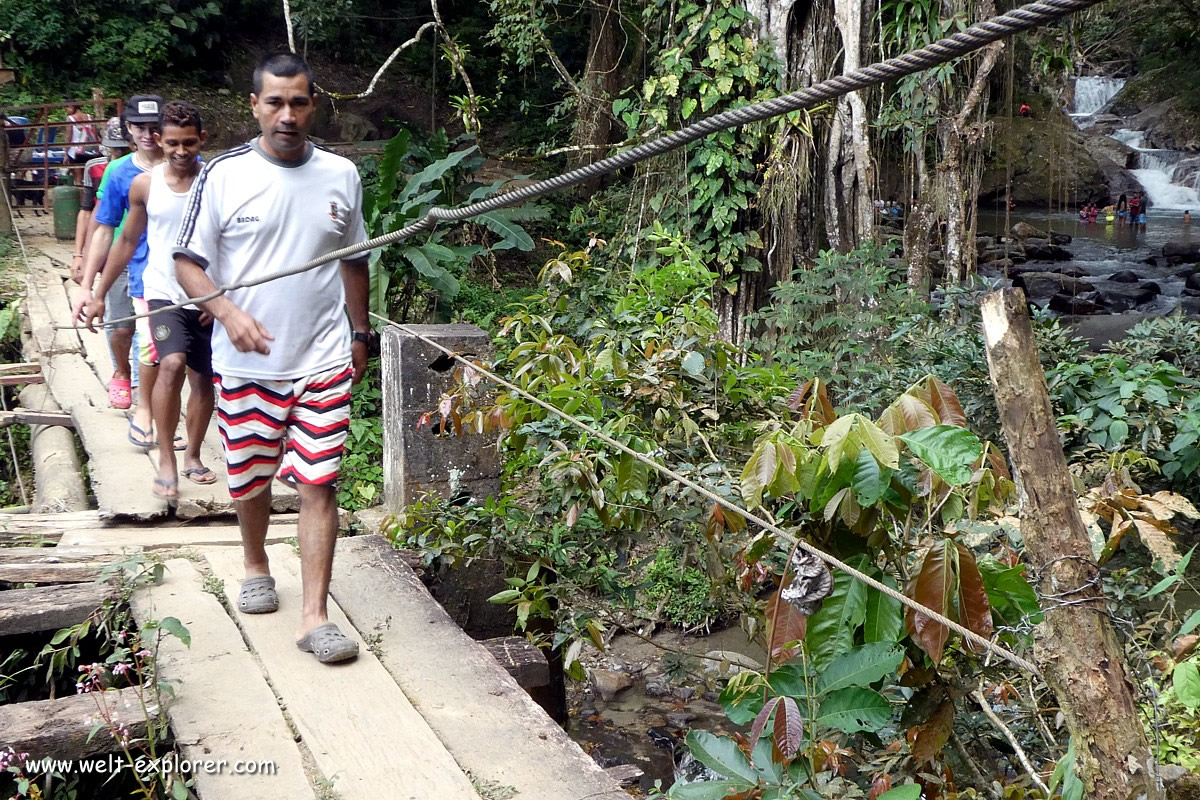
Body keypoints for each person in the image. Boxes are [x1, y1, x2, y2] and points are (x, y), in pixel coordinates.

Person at [174, 53, 369, 664]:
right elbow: (186, 262)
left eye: (299, 102)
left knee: (319, 482)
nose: (287, 114)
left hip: (325, 356)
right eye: (275, 102)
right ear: (255, 105)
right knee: (251, 478)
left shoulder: (341, 173)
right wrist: (228, 313)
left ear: (314, 106)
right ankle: (255, 560)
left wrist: (360, 334)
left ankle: (314, 617)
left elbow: (355, 258)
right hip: (247, 364)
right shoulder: (224, 175)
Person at [80, 101, 215, 500]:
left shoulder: (216, 182)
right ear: (160, 140)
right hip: (160, 292)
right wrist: (98, 291)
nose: (180, 151)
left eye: (189, 143)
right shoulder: (144, 184)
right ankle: (168, 462)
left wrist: (225, 297)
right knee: (169, 363)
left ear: (201, 140)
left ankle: (192, 454)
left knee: (203, 377)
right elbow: (125, 239)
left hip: (207, 296)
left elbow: (235, 241)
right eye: (172, 142)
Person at [72, 96, 171, 447]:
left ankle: (162, 420)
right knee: (126, 331)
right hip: (132, 264)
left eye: (155, 126)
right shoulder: (119, 171)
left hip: (178, 271)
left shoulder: (189, 164)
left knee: (169, 352)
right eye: (140, 127)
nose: (148, 134)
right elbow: (104, 227)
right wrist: (88, 284)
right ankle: (129, 384)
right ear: (128, 129)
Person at [71, 117, 135, 408]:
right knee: (117, 318)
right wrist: (82, 255)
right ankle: (121, 368)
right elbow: (92, 214)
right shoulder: (101, 168)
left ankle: (141, 383)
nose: (119, 154)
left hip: (148, 253)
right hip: (114, 249)